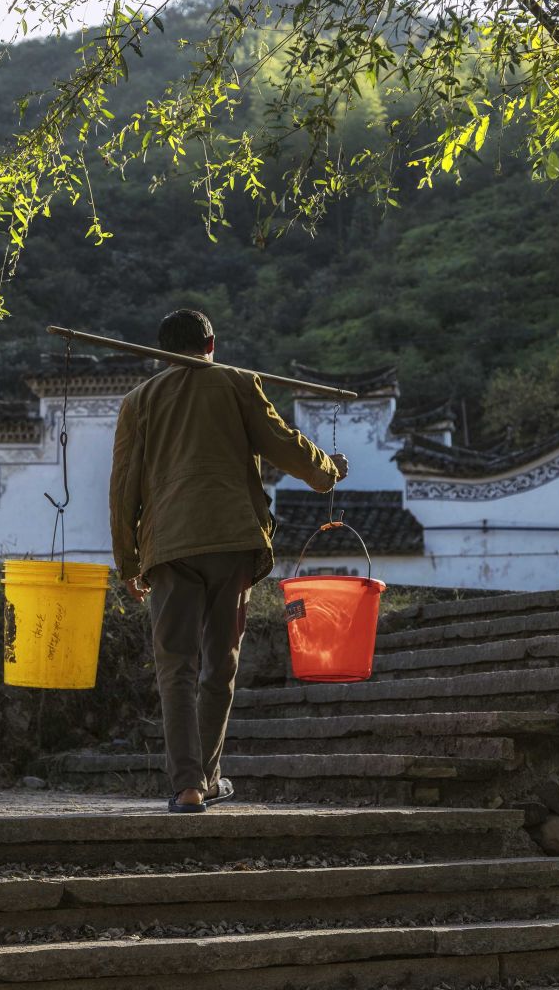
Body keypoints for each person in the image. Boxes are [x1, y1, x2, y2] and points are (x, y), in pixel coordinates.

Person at [109, 308, 348, 813]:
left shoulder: (138, 401)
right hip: (231, 539)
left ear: (161, 351)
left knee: (175, 665)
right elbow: (285, 445)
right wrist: (328, 473)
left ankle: (188, 785)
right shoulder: (238, 383)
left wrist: (128, 563)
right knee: (220, 664)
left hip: (169, 547)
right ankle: (209, 777)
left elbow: (123, 488)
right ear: (211, 342)